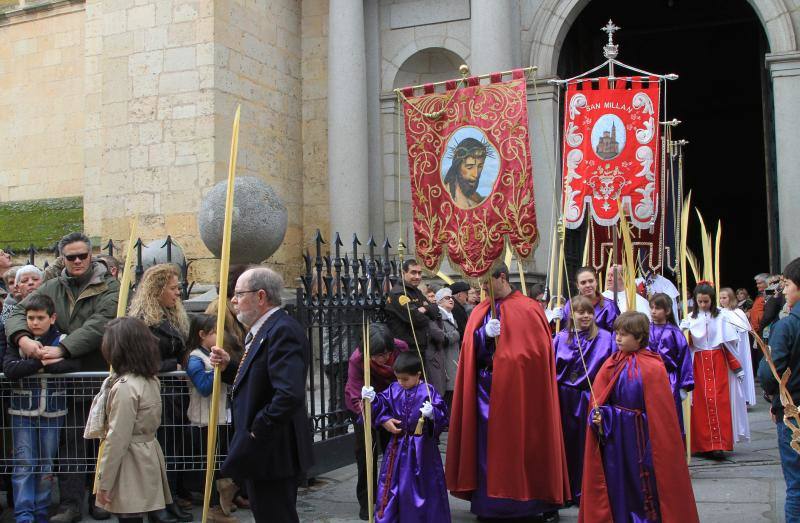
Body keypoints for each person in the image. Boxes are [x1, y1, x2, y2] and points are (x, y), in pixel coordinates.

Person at [6, 232, 120, 522]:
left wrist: (63, 349)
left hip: (96, 376)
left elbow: (100, 324)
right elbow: (20, 312)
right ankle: (70, 504)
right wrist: (23, 339)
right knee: (70, 445)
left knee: (102, 442)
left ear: (91, 255)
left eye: (83, 255)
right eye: (71, 257)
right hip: (62, 382)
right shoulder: (53, 286)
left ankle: (100, 499)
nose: (78, 260)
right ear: (63, 259)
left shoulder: (110, 287)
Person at [446, 265, 569, 521]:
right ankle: (490, 505)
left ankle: (531, 502)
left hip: (521, 391)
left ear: (502, 278)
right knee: (486, 449)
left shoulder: (528, 308)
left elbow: (536, 353)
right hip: (485, 390)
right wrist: (482, 335)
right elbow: (470, 351)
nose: (482, 289)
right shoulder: (481, 309)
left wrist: (511, 360)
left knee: (526, 445)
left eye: (486, 282)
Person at [213, 267, 313, 523]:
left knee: (275, 515)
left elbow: (288, 394)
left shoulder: (282, 330)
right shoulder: (263, 328)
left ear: (260, 296)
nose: (233, 300)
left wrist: (258, 429)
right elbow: (262, 377)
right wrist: (231, 367)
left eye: (238, 294)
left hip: (273, 450)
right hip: (264, 451)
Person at [580, 312, 699, 523]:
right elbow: (601, 400)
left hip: (642, 438)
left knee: (642, 484)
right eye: (617, 333)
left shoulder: (653, 366)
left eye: (624, 334)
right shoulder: (611, 363)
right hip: (616, 440)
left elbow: (661, 417)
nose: (617, 338)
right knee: (619, 482)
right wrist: (601, 416)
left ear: (639, 337)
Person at [3, 294, 79, 523]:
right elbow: (10, 369)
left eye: (40, 318)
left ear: (52, 318)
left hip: (53, 412)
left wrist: (42, 364)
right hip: (21, 412)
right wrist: (41, 362)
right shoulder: (18, 342)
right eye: (30, 318)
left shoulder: (63, 340)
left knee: (46, 463)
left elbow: (73, 364)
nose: (35, 323)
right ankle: (24, 514)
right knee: (24, 463)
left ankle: (41, 511)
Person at [128, 263, 193, 522]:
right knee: (161, 449)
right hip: (155, 393)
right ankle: (158, 505)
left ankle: (171, 498)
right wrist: (174, 365)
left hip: (174, 393)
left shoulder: (172, 316)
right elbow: (141, 361)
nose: (178, 293)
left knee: (174, 448)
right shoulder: (143, 321)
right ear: (158, 289)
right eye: (174, 288)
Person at [94, 317, 172, 522]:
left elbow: (117, 438)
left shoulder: (126, 386)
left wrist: (104, 482)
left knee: (129, 515)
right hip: (148, 452)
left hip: (129, 459)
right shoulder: (150, 379)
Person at [361, 351, 449, 522]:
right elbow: (382, 404)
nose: (401, 383)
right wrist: (372, 399)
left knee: (423, 484)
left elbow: (442, 416)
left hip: (422, 449)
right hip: (398, 446)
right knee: (393, 483)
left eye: (405, 379)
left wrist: (433, 414)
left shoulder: (428, 391)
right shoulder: (394, 388)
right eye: (398, 378)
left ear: (418, 374)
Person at [553, 295, 616, 504]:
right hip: (563, 399)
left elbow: (613, 369)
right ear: (571, 314)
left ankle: (586, 492)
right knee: (565, 445)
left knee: (588, 445)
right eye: (581, 312)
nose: (586, 316)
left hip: (591, 398)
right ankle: (566, 490)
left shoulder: (606, 338)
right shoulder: (560, 338)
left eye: (589, 312)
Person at [344, 323, 408, 521]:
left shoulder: (401, 348)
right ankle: (367, 502)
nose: (383, 359)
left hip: (393, 401)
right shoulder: (357, 359)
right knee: (366, 455)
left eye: (386, 353)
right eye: (378, 355)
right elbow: (356, 397)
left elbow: (409, 375)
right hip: (364, 404)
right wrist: (379, 418)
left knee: (396, 452)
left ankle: (393, 497)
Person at [183, 314, 240, 522]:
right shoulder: (196, 357)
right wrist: (218, 369)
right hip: (204, 419)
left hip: (221, 417)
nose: (219, 335)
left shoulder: (212, 354)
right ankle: (214, 509)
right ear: (201, 335)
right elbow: (205, 387)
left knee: (222, 462)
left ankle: (224, 502)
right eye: (214, 332)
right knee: (213, 466)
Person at [680, 282, 747, 457]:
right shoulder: (690, 318)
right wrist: (684, 332)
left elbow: (727, 344)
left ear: (712, 300)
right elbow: (686, 345)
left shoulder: (722, 317)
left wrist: (737, 367)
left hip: (718, 362)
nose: (703, 305)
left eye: (706, 302)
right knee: (700, 404)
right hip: (699, 363)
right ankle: (702, 445)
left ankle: (720, 444)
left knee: (720, 402)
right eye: (700, 302)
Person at [758, 257, 800, 523]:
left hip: (794, 411)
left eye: (788, 285)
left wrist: (774, 399)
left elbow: (768, 373)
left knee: (797, 486)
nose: (784, 291)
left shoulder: (787, 325)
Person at [648, 292, 694, 435]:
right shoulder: (645, 329)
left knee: (670, 416)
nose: (653, 311)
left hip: (669, 380)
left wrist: (684, 385)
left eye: (657, 308)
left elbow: (684, 358)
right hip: (649, 377)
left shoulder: (674, 332)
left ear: (667, 311)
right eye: (652, 308)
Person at [384, 259, 441, 366]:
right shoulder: (399, 293)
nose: (417, 276)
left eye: (419, 273)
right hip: (406, 348)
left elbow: (435, 309)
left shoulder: (416, 291)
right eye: (413, 272)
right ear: (403, 273)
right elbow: (417, 318)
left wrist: (425, 309)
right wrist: (424, 310)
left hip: (420, 345)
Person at [719, 287, 757, 407]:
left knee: (741, 369)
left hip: (739, 348)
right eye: (720, 298)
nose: (722, 300)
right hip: (725, 348)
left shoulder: (738, 313)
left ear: (731, 298)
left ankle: (744, 397)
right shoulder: (719, 312)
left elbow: (743, 328)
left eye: (724, 298)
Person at [555, 266, 620, 332]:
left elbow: (616, 334)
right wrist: (557, 321)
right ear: (577, 285)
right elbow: (564, 330)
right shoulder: (570, 305)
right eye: (583, 283)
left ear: (596, 282)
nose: (588, 285)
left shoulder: (609, 306)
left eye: (591, 281)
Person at [443, 137, 490, 209]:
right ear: (457, 166)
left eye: (480, 166)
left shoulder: (478, 201)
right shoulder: (443, 195)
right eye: (469, 167)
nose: (476, 174)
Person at [435, 287, 461, 408]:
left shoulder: (451, 316)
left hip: (453, 361)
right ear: (439, 301)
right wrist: (456, 335)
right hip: (446, 364)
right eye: (447, 298)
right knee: (447, 398)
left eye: (451, 297)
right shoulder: (438, 317)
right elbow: (440, 338)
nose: (451, 299)